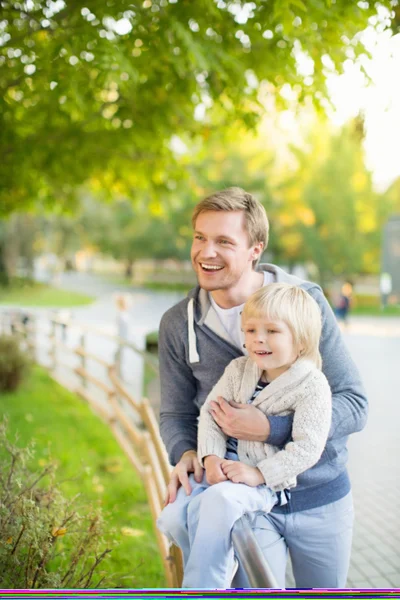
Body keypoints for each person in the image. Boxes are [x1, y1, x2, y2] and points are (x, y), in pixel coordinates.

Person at [158, 187, 367, 588]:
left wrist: (271, 429)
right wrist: (187, 452)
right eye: (199, 237)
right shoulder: (177, 324)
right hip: (245, 504)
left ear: (256, 248)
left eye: (223, 241)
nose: (206, 252)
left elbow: (354, 403)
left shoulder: (304, 303)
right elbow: (176, 412)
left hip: (320, 498)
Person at [157, 283, 332, 588]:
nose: (258, 339)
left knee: (220, 501)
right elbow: (211, 415)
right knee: (173, 516)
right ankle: (212, 560)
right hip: (222, 465)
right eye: (250, 330)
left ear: (301, 341)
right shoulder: (239, 370)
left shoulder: (312, 385)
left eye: (272, 331)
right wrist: (210, 458)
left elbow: (308, 448)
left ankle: (203, 587)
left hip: (262, 480)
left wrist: (257, 473)